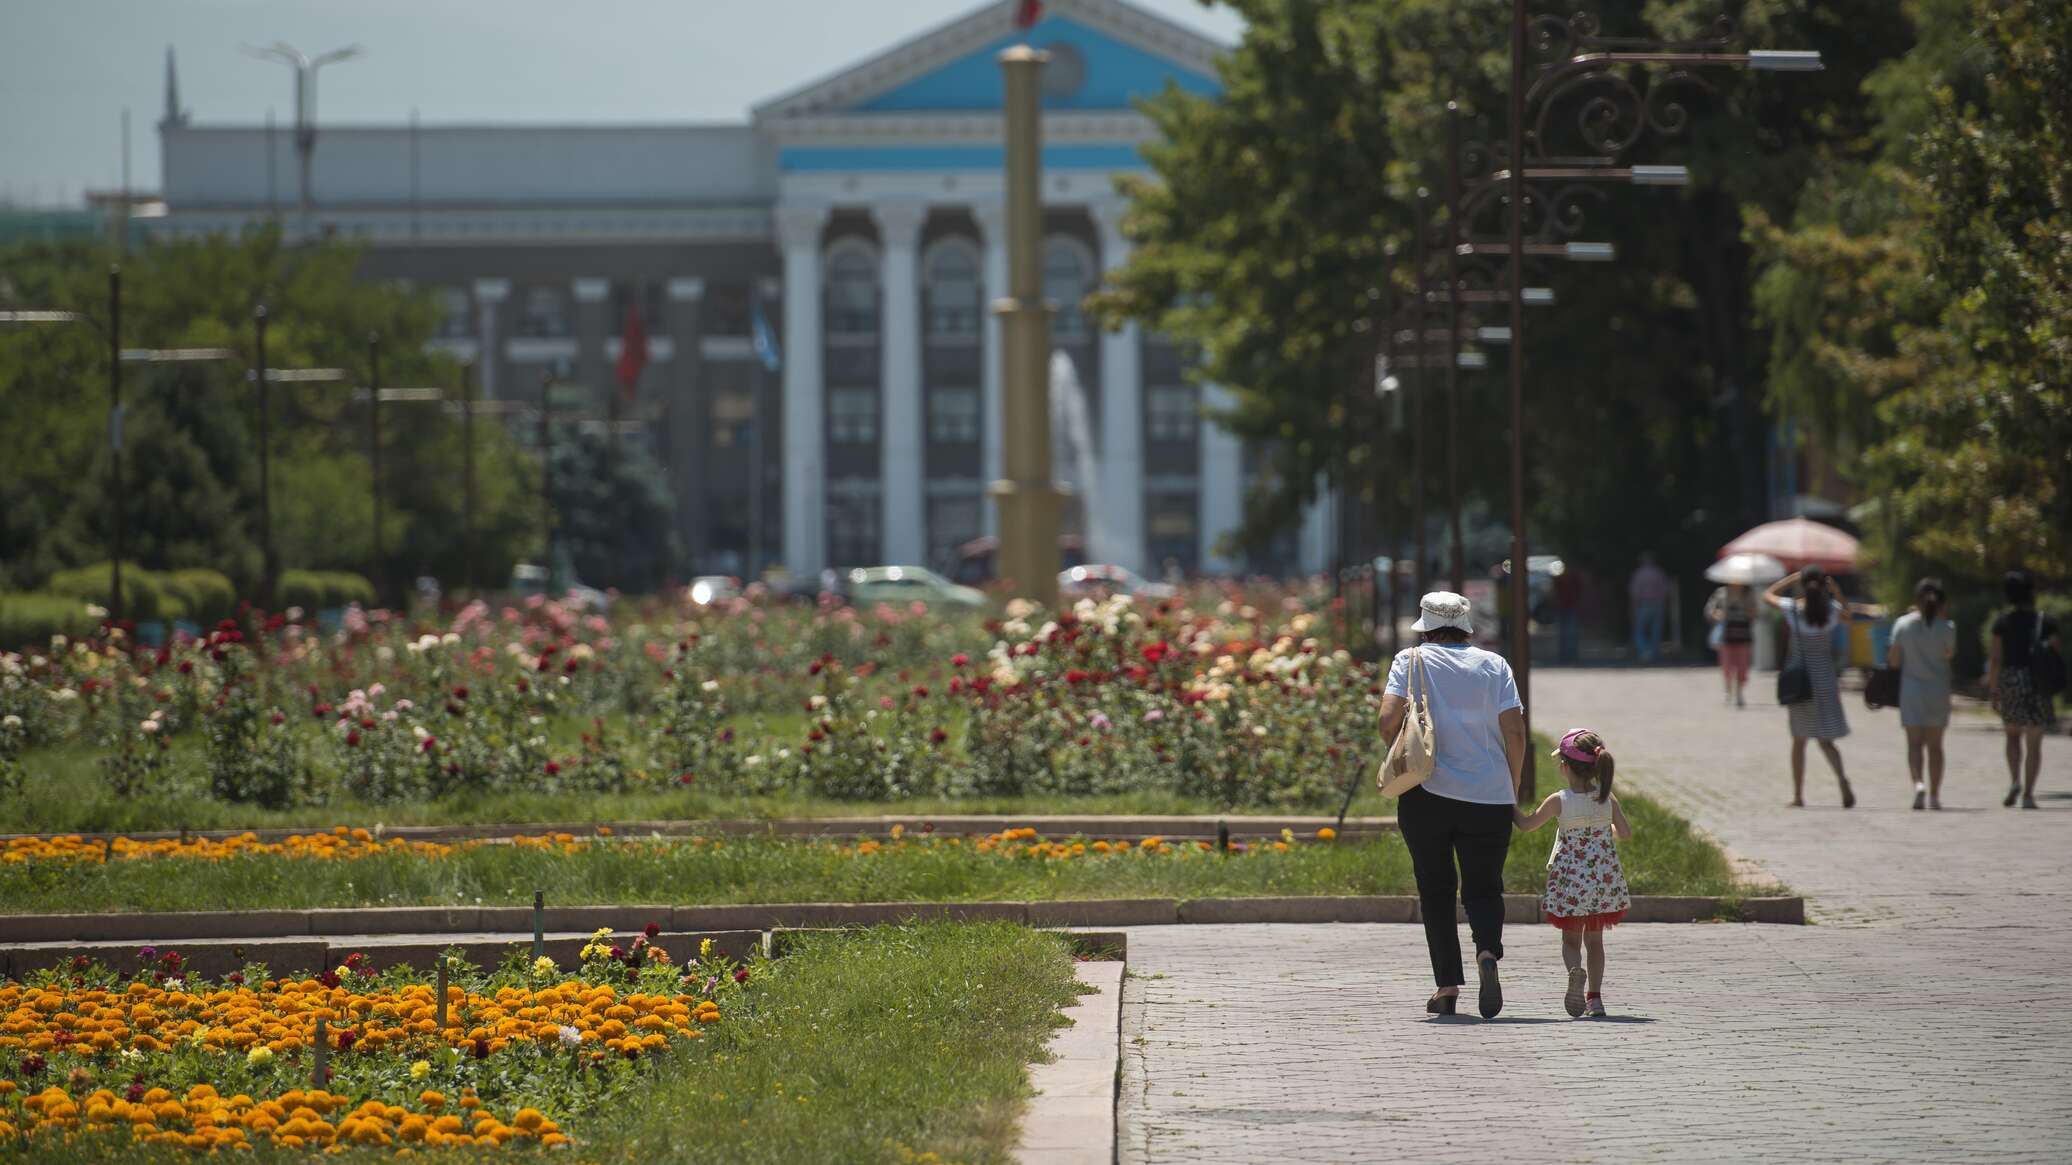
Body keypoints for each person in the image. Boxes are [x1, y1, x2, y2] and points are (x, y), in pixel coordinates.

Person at [1378, 591, 1527, 1019]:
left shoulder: (1411, 660)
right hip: (1489, 795)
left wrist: (1402, 747)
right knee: (1484, 886)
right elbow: (1514, 732)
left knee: (1436, 889)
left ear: (1424, 627)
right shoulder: (1495, 665)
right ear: (1467, 628)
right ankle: (1487, 953)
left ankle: (1446, 987)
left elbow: (1388, 720)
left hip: (1426, 793)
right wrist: (1510, 785)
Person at [1514, 728, 1632, 1018]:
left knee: (1571, 941)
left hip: (1571, 882)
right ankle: (1595, 998)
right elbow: (1625, 833)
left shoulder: (1560, 800)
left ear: (1565, 766)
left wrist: (1509, 805)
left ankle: (1574, 971)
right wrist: (1606, 831)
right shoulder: (1607, 798)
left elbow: (1527, 825)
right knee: (1596, 941)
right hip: (1602, 881)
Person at [1763, 567, 1864, 808]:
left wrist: (1791, 579)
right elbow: (1849, 615)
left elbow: (1767, 595)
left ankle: (1798, 795)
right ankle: (1842, 779)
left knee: (1799, 740)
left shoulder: (1793, 610)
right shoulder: (1831, 611)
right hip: (1825, 679)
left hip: (1801, 680)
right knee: (1825, 739)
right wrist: (1837, 591)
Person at [1988, 570, 2060, 809]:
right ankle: (2029, 794)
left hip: (2011, 680)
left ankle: (2014, 780)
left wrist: (1993, 688)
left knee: (2012, 735)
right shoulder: (2045, 622)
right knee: (2034, 741)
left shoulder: (2002, 622)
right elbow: (2054, 651)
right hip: (2037, 682)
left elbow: (1996, 658)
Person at [1886, 578, 1955, 810]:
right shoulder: (1947, 628)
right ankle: (1935, 796)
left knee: (1914, 744)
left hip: (1911, 691)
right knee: (1936, 747)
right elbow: (1949, 655)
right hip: (1938, 691)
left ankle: (1918, 784)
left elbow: (1894, 661)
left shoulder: (1902, 625)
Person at [1704, 581, 1759, 706]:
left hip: (1743, 634)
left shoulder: (1748, 594)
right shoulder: (1721, 593)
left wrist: (1749, 611)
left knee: (1742, 665)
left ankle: (1739, 692)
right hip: (1725, 634)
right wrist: (1717, 614)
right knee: (1726, 665)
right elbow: (1710, 610)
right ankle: (1728, 689)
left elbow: (1755, 613)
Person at [1628, 552, 1670, 663]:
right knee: (1656, 630)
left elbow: (1635, 594)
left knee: (1639, 631)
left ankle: (1645, 651)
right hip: (1658, 604)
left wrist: (1633, 608)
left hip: (1643, 604)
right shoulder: (1659, 573)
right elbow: (1665, 591)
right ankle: (1654, 653)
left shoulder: (1639, 574)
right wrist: (1665, 605)